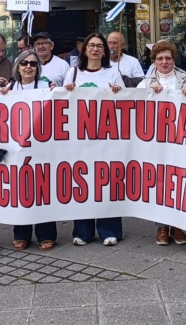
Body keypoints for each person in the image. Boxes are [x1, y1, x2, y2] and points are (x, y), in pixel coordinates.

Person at [63, 32, 124, 246]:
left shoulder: (112, 73)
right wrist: (67, 91)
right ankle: (83, 231)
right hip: (79, 138)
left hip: (106, 138)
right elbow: (63, 105)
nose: (95, 49)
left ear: (105, 51)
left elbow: (124, 106)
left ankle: (109, 229)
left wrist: (117, 93)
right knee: (82, 182)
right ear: (84, 49)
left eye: (100, 46)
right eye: (91, 45)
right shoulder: (73, 73)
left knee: (107, 181)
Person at [138, 41, 186, 246]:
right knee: (160, 184)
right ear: (153, 61)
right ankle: (161, 226)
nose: (164, 62)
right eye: (160, 58)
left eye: (168, 58)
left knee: (179, 181)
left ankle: (178, 224)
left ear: (174, 60)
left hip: (180, 141)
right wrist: (148, 94)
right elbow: (135, 109)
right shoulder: (144, 83)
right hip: (156, 142)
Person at [4, 50, 57, 250]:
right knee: (21, 190)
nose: (28, 67)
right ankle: (21, 234)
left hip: (42, 147)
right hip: (18, 147)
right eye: (24, 63)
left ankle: (47, 234)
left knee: (43, 189)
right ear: (17, 66)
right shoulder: (8, 89)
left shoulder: (47, 87)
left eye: (33, 64)